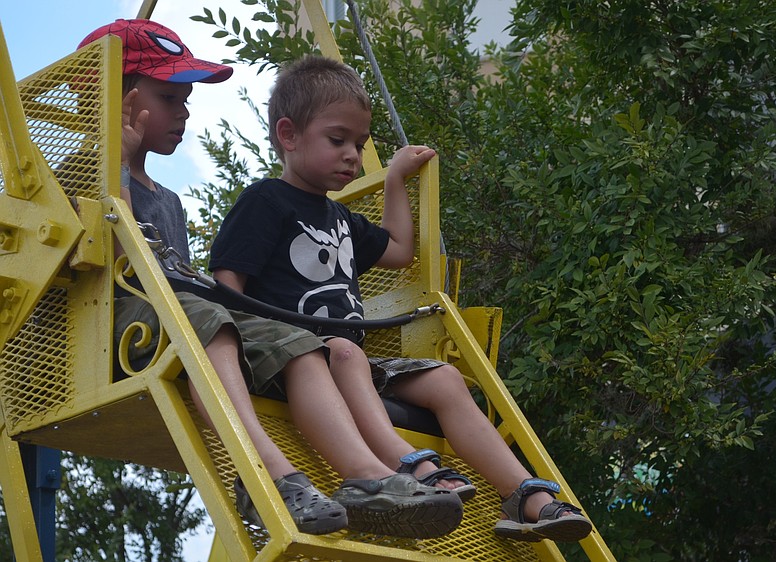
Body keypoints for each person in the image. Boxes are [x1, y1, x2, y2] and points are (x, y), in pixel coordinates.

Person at [77, 20, 462, 540]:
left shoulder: (166, 198)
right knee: (212, 319)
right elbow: (122, 258)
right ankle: (267, 473)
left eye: (186, 99)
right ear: (108, 98)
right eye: (169, 97)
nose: (184, 112)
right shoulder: (83, 172)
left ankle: (366, 478)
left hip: (180, 316)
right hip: (116, 327)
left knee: (301, 345)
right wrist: (116, 167)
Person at [209, 54, 594, 543]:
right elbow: (227, 285)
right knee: (344, 350)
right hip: (293, 358)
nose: (352, 154)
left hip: (349, 362)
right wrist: (255, 351)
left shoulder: (340, 218)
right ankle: (409, 468)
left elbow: (398, 250)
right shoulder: (265, 201)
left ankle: (525, 495)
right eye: (337, 140)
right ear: (288, 135)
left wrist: (393, 179)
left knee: (445, 378)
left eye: (360, 144)